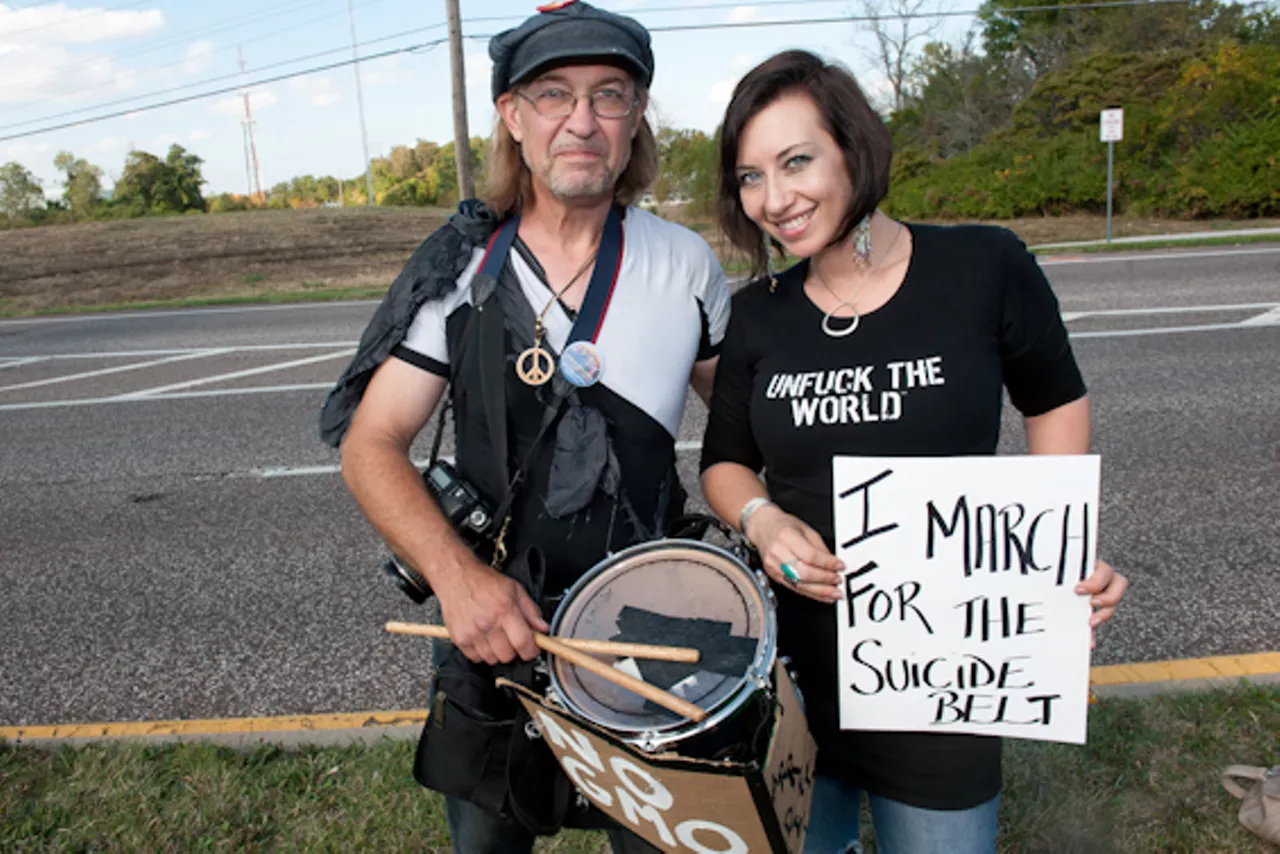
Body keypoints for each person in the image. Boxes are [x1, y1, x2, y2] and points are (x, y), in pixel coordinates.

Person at [319, 3, 729, 852]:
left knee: (662, 841)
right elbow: (370, 445)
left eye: (609, 95)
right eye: (553, 95)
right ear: (512, 116)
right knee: (488, 842)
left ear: (637, 117)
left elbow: (750, 430)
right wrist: (459, 581)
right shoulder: (462, 267)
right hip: (492, 623)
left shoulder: (686, 262)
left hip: (645, 625)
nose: (582, 121)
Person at [699, 50, 1129, 854]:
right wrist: (761, 523)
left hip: (945, 673)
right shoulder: (756, 313)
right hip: (798, 672)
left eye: (797, 162)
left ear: (854, 149)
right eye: (751, 177)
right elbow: (723, 461)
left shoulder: (983, 266)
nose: (776, 199)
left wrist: (1056, 552)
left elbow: (1055, 401)